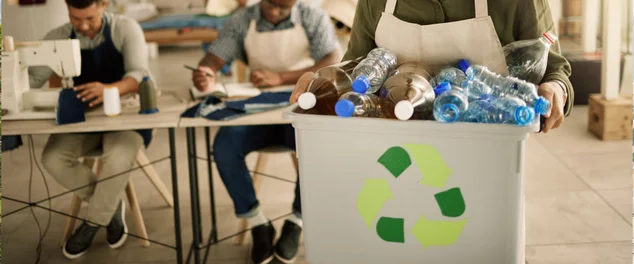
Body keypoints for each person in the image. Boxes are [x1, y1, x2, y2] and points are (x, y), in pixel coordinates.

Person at [191, 0, 340, 263]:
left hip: (299, 104)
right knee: (225, 147)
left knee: (317, 148)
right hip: (256, 109)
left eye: (280, 9)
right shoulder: (242, 19)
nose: (273, 13)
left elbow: (331, 60)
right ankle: (258, 223)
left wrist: (281, 77)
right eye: (270, 6)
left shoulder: (311, 16)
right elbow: (215, 55)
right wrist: (206, 71)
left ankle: (296, 221)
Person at [291, 0, 574, 134]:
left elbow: (553, 69)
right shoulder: (375, 2)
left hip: (488, 150)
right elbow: (356, 70)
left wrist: (555, 89)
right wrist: (318, 83)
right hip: (391, 155)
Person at [31, 0, 151, 259]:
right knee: (52, 158)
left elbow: (139, 75)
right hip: (82, 119)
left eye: (90, 19)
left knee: (118, 157)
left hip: (127, 115)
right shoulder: (58, 37)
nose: (83, 26)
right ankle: (109, 204)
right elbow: (31, 78)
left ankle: (94, 220)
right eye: (76, 18)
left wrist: (110, 89)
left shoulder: (126, 29)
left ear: (103, 5)